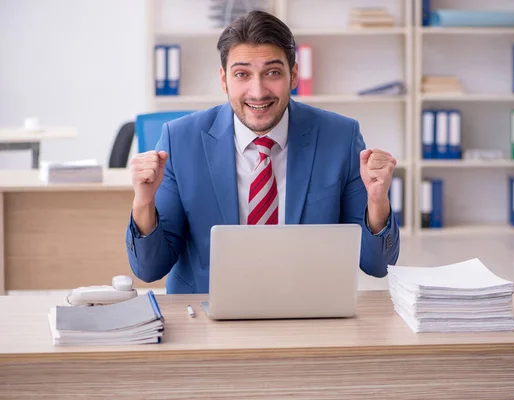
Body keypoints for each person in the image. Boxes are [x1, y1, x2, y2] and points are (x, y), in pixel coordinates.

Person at [126, 10, 400, 294]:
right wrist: (144, 202)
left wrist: (378, 202)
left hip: (310, 312)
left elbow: (377, 266)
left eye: (272, 72)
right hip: (207, 316)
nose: (258, 92)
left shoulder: (340, 137)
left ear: (293, 75)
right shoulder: (179, 141)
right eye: (242, 74)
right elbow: (150, 269)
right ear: (224, 80)